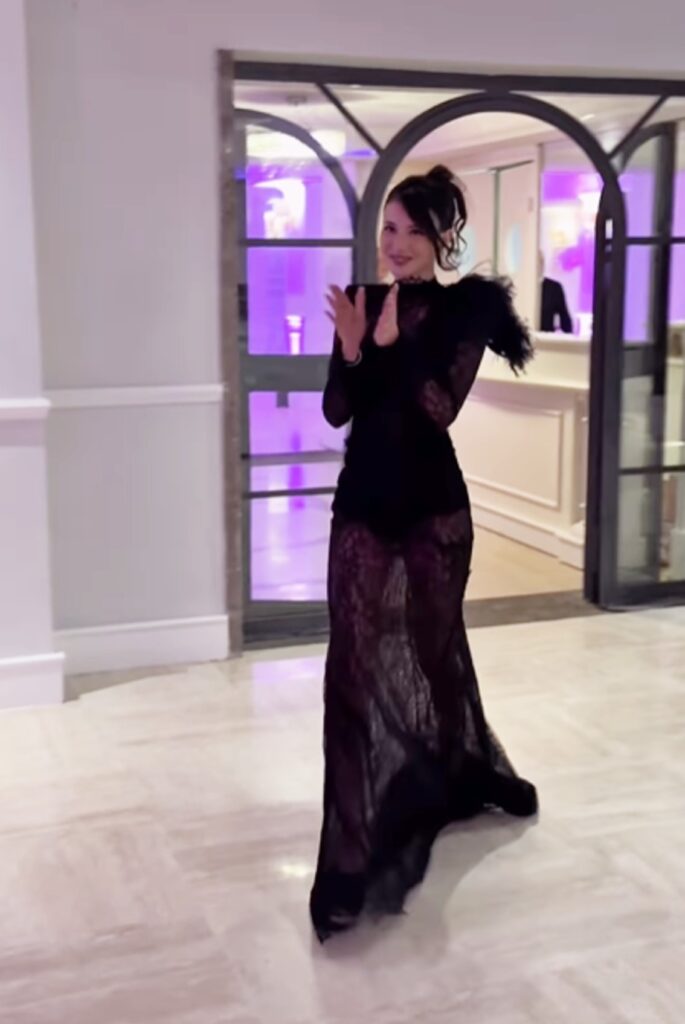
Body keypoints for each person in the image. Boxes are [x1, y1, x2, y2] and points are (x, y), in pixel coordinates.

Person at [310, 165, 538, 943]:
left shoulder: (461, 311)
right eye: (388, 228)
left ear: (441, 238)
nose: (395, 243)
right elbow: (337, 409)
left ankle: (461, 769)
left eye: (411, 230)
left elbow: (437, 409)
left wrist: (392, 347)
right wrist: (352, 349)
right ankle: (348, 856)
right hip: (363, 506)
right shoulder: (360, 299)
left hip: (434, 512)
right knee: (350, 669)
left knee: (435, 654)